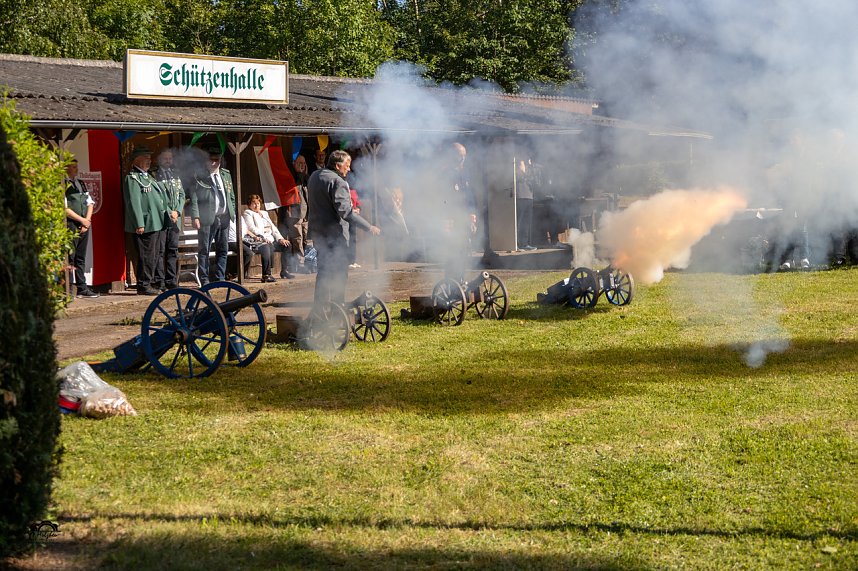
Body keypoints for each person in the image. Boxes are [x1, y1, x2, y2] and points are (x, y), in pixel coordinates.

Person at [307, 149, 380, 306]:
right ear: (338, 165)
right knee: (340, 273)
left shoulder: (314, 176)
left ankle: (320, 308)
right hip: (335, 236)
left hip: (318, 234)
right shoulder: (339, 182)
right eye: (347, 165)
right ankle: (337, 307)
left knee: (323, 273)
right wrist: (368, 227)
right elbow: (346, 212)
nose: (349, 168)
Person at [189, 147, 236, 285]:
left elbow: (231, 195)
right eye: (212, 160)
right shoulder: (199, 176)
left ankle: (220, 277)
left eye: (217, 160)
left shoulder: (225, 174)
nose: (215, 163)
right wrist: (195, 216)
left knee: (223, 249)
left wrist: (231, 210)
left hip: (224, 217)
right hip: (207, 218)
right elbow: (194, 198)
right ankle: (204, 279)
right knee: (204, 249)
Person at [123, 146, 166, 295]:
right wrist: (139, 223)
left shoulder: (148, 176)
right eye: (146, 159)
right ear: (137, 160)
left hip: (156, 222)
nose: (149, 161)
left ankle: (150, 281)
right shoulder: (132, 178)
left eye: (149, 159)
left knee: (153, 255)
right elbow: (133, 202)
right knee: (146, 255)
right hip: (146, 223)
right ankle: (143, 284)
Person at [64, 158, 99, 298]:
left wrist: (87, 221)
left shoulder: (80, 183)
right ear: (66, 168)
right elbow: (64, 209)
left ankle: (82, 287)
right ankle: (67, 289)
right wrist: (81, 220)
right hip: (70, 224)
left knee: (80, 257)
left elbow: (90, 203)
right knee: (69, 257)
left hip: (84, 224)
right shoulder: (63, 184)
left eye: (76, 166)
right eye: (73, 167)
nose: (76, 169)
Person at [152, 148, 186, 290]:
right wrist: (169, 212)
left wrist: (177, 211)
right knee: (160, 251)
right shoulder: (154, 175)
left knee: (172, 250)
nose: (168, 161)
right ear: (160, 160)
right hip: (162, 219)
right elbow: (156, 197)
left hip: (175, 220)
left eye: (170, 158)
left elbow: (182, 195)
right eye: (165, 158)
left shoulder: (175, 174)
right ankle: (159, 281)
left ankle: (171, 280)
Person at [242, 194, 290, 282]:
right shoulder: (248, 213)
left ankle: (284, 271)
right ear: (249, 205)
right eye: (254, 203)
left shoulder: (264, 213)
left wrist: (280, 239)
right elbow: (251, 228)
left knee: (286, 245)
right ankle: (266, 275)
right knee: (266, 247)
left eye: (258, 203)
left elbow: (273, 227)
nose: (257, 206)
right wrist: (263, 238)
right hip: (257, 240)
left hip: (270, 239)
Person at [276, 154, 309, 277]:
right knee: (297, 239)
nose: (302, 165)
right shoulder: (292, 177)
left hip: (306, 213)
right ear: (294, 163)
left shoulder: (305, 177)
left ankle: (301, 262)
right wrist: (300, 173)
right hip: (295, 213)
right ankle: (299, 265)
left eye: (304, 163)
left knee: (305, 238)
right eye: (300, 163)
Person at [516, 158, 537, 251]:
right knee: (518, 222)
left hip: (529, 196)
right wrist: (522, 170)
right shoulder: (517, 165)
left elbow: (534, 180)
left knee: (526, 222)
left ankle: (524, 243)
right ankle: (515, 244)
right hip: (519, 196)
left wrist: (529, 169)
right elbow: (517, 178)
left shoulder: (530, 167)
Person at [348, 185, 362, 269]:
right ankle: (347, 261)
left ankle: (352, 261)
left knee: (353, 240)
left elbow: (358, 203)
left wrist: (358, 209)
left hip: (353, 218)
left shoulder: (353, 191)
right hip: (345, 218)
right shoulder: (343, 190)